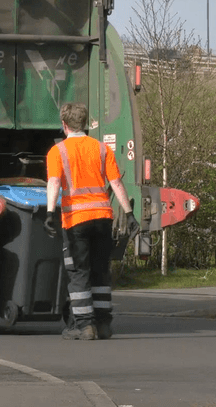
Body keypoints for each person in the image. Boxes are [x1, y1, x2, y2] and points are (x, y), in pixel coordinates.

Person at [45, 102, 137, 340]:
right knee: (100, 272)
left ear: (64, 125)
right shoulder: (102, 149)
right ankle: (104, 324)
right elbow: (116, 184)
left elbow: (54, 183)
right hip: (102, 219)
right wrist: (129, 214)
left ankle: (84, 326)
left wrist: (48, 213)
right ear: (84, 124)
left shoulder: (58, 152)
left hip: (76, 221)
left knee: (78, 273)